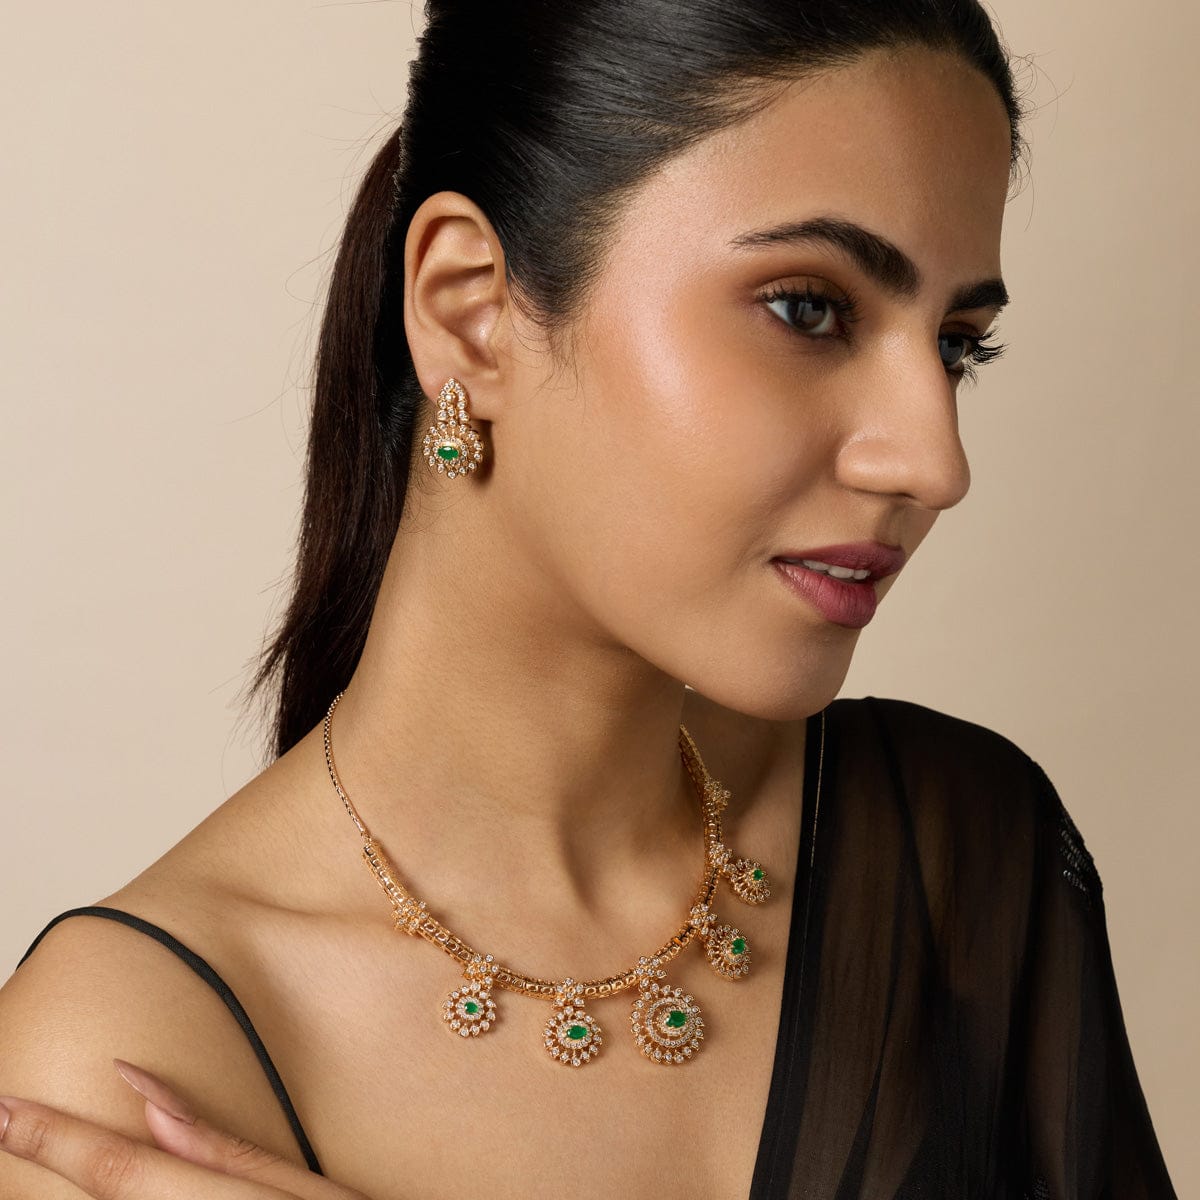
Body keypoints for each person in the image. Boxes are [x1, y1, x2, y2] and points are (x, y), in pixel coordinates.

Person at [0, 1, 1180, 1197]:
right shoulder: (127, 1069)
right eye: (808, 309)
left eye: (957, 345)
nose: (934, 461)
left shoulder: (954, 855)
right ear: (468, 310)